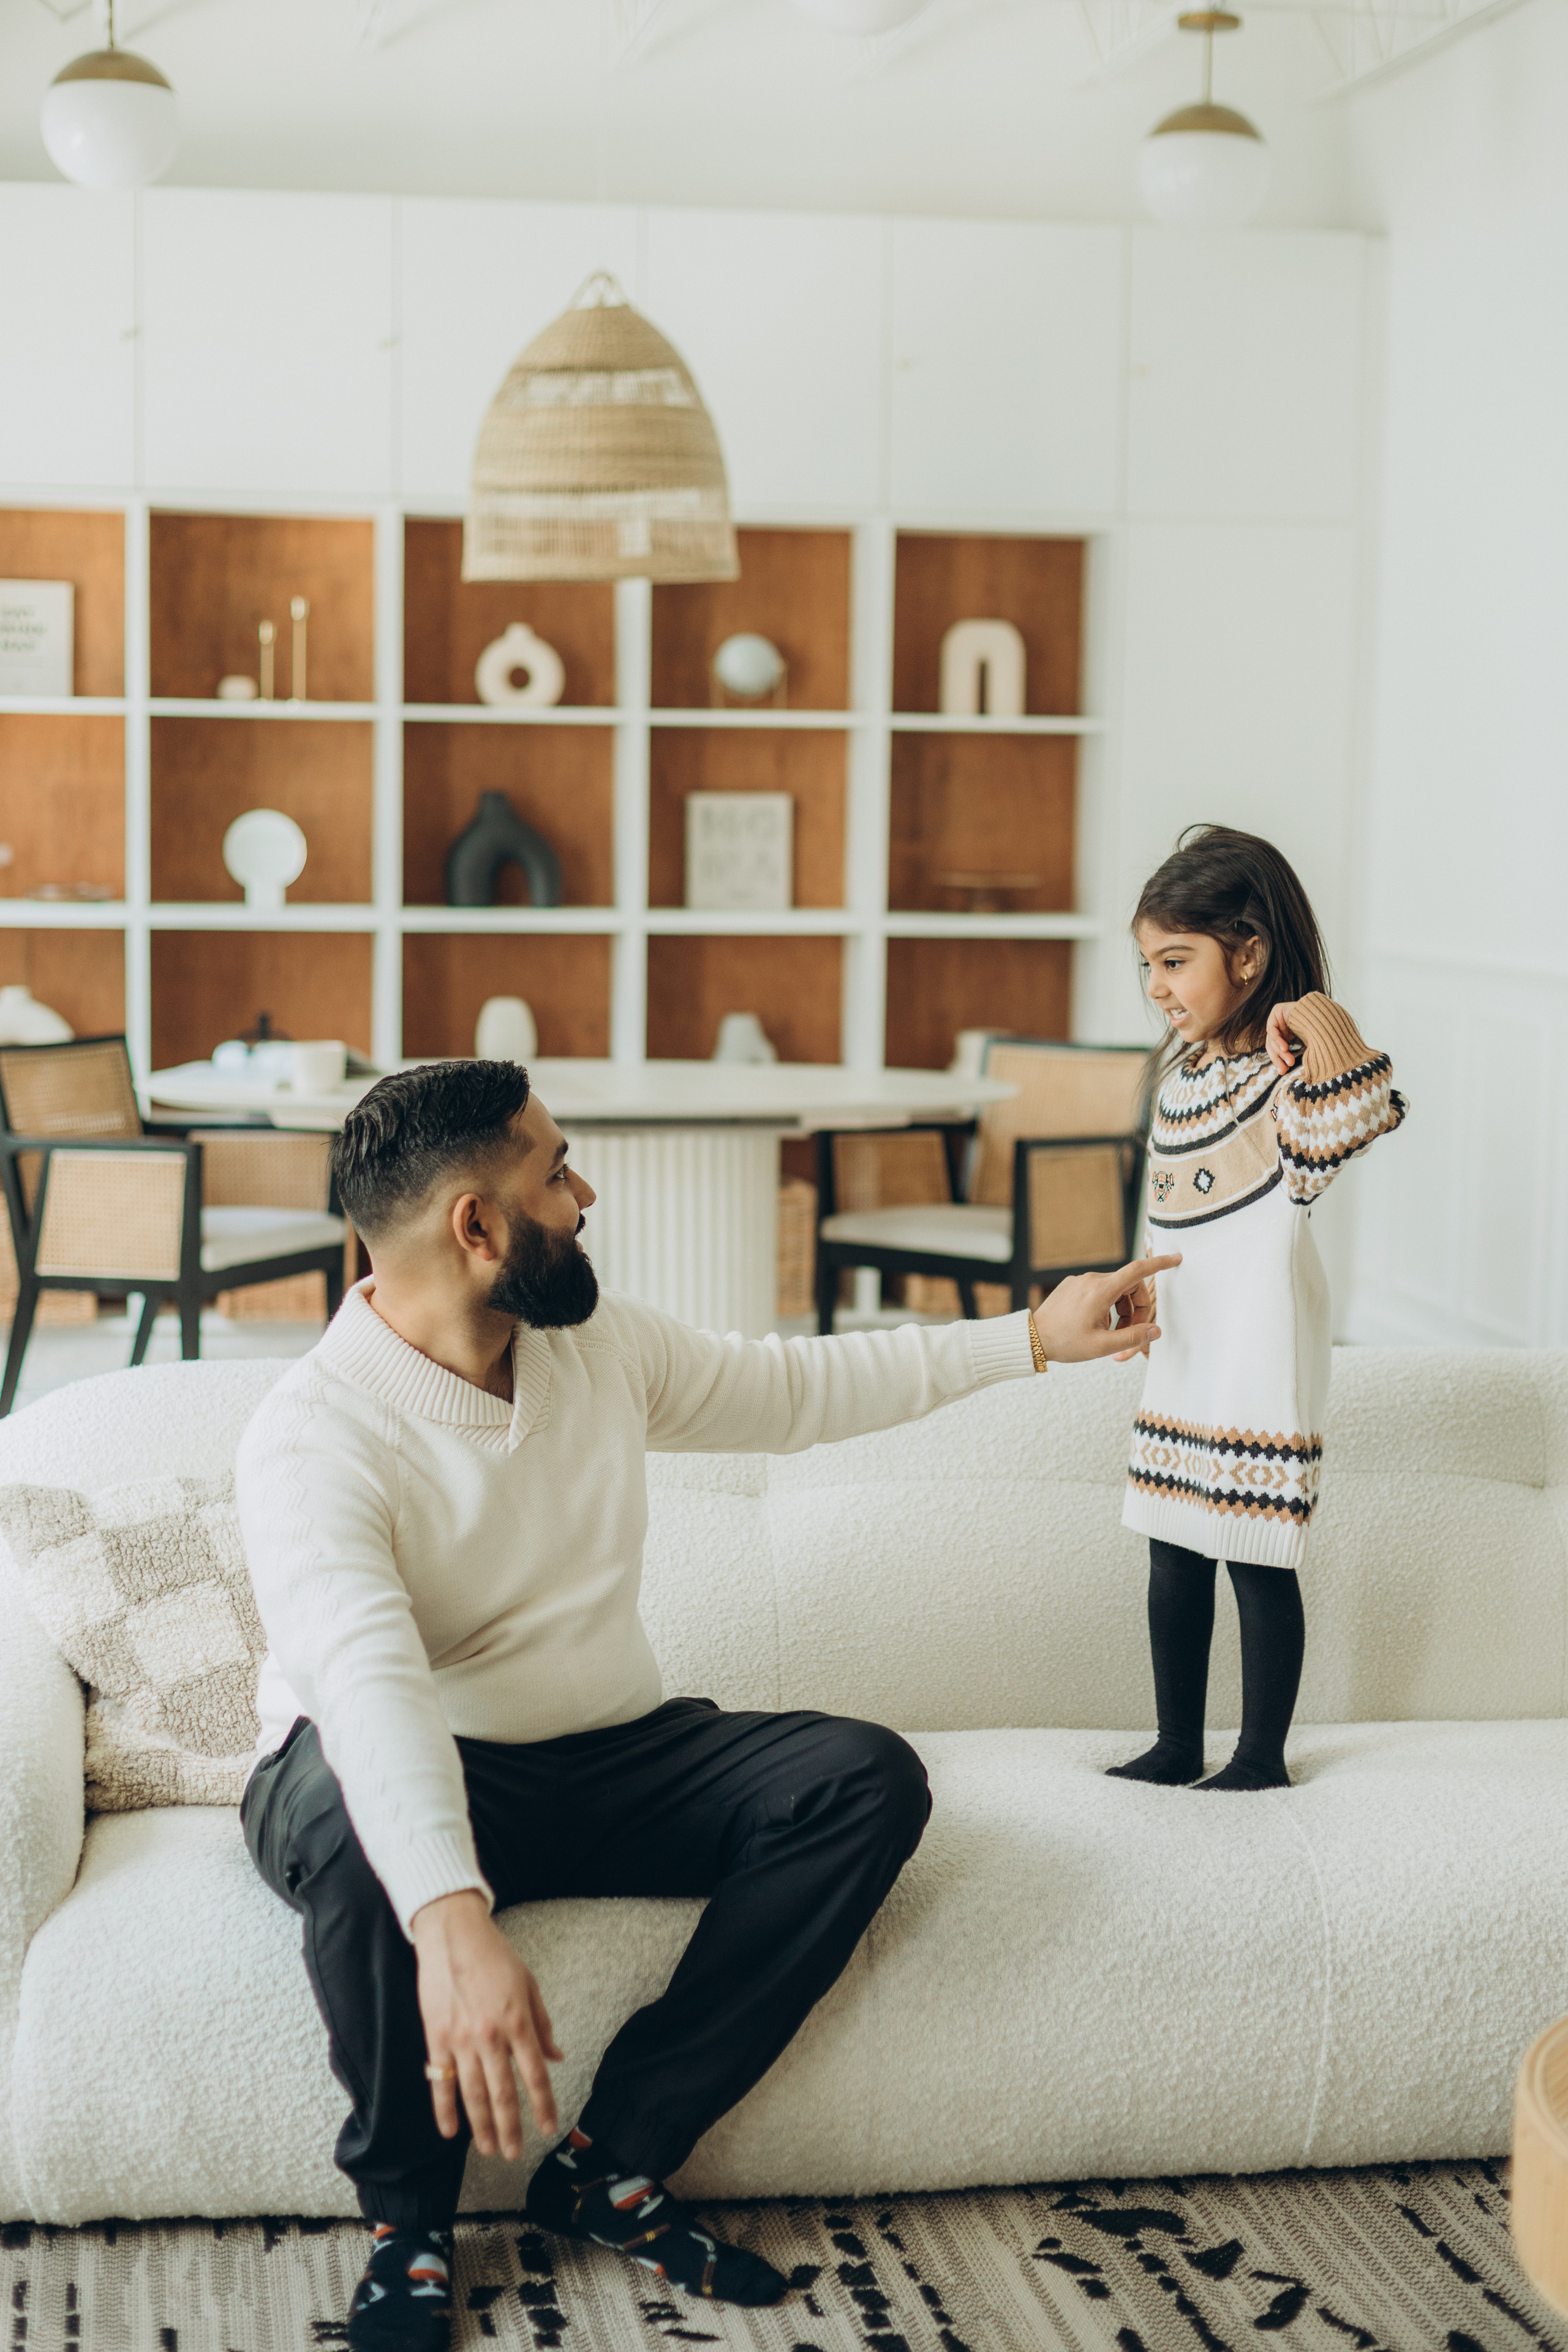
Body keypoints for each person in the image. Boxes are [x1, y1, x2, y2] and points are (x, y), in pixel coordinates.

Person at [235, 1057, 1177, 2352]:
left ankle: (608, 2160)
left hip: (603, 1753)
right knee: (353, 1822)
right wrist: (449, 1918)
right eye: (552, 1172)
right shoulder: (312, 1437)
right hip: (378, 1757)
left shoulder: (591, 1346)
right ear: (475, 1226)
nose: (584, 1192)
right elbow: (364, 1680)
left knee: (860, 1777)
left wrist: (1026, 1338)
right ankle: (407, 2227)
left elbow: (795, 1393)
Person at [1107, 824, 1406, 1796]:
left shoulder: (1289, 1088)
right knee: (1173, 1547)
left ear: (1248, 954)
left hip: (1260, 1351)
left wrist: (1310, 1019)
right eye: (1148, 963)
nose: (1157, 985)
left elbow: (1363, 1114)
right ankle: (1174, 1741)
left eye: (1176, 961)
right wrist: (1140, 1284)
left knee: (1254, 1552)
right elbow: (1165, 1201)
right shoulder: (1182, 1081)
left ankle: (1259, 1757)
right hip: (1188, 1346)